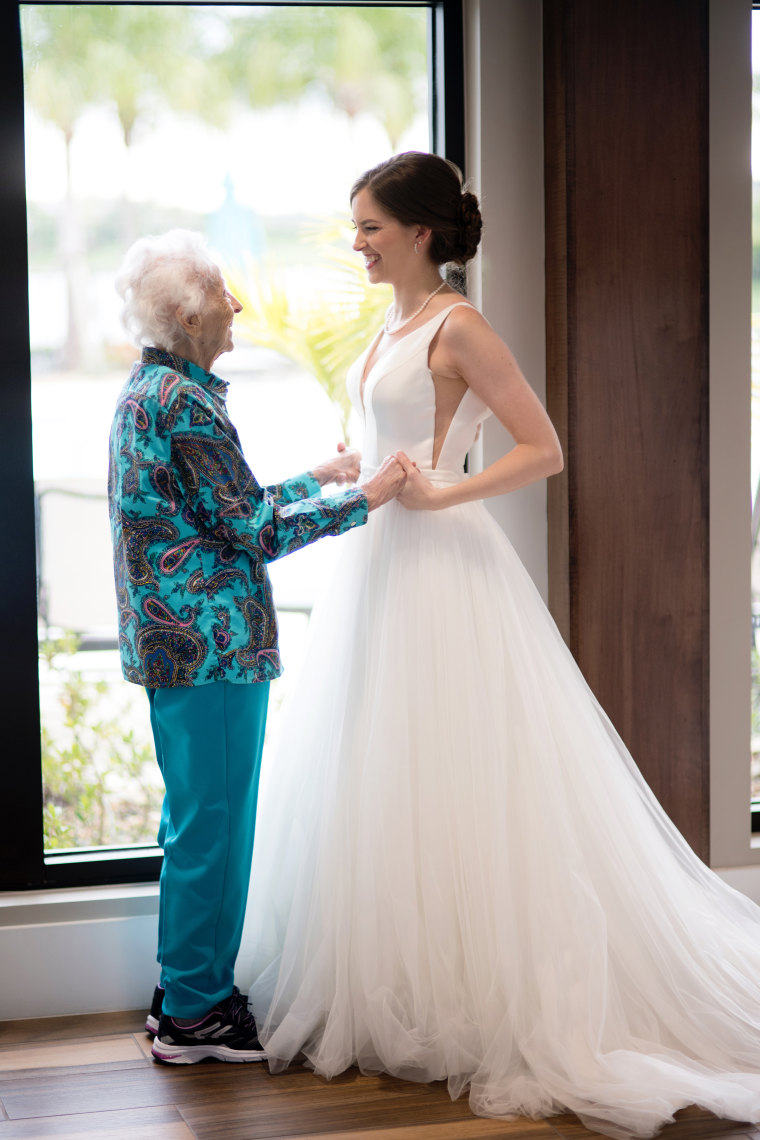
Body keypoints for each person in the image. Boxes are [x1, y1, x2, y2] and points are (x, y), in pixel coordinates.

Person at [235, 152, 760, 1138]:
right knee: (382, 770)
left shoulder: (459, 326)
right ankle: (409, 983)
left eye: (369, 228)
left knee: (460, 770)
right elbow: (396, 430)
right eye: (355, 228)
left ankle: (477, 996)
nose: (356, 243)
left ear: (421, 232)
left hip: (442, 563)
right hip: (379, 554)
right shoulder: (392, 323)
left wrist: (445, 486)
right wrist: (359, 466)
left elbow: (543, 446)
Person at [107, 229, 405, 1065]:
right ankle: (196, 1014)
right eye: (223, 293)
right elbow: (256, 530)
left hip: (181, 652)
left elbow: (223, 508)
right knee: (216, 827)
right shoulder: (187, 404)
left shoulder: (151, 392)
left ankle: (182, 992)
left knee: (193, 823)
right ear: (189, 314)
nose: (238, 305)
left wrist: (318, 476)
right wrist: (370, 496)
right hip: (214, 650)